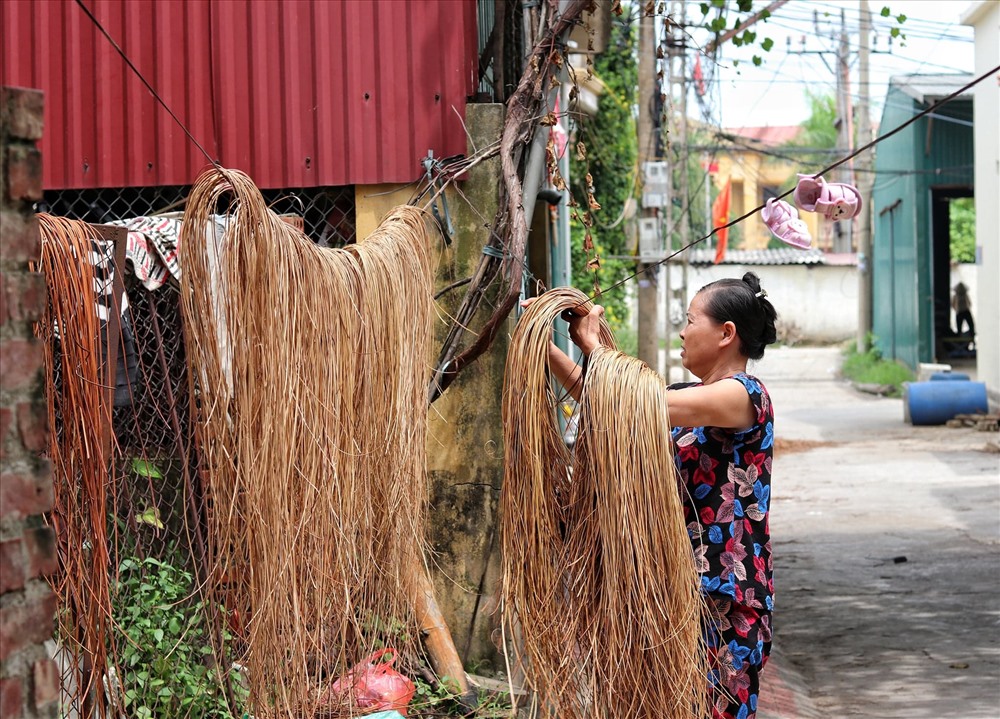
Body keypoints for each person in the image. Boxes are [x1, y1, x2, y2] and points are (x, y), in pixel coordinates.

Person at [545, 271, 777, 719]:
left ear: (726, 333)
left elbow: (633, 399)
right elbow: (605, 397)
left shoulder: (743, 396)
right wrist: (547, 347)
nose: (683, 331)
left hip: (723, 595)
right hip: (675, 585)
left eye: (690, 320)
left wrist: (595, 348)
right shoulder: (692, 394)